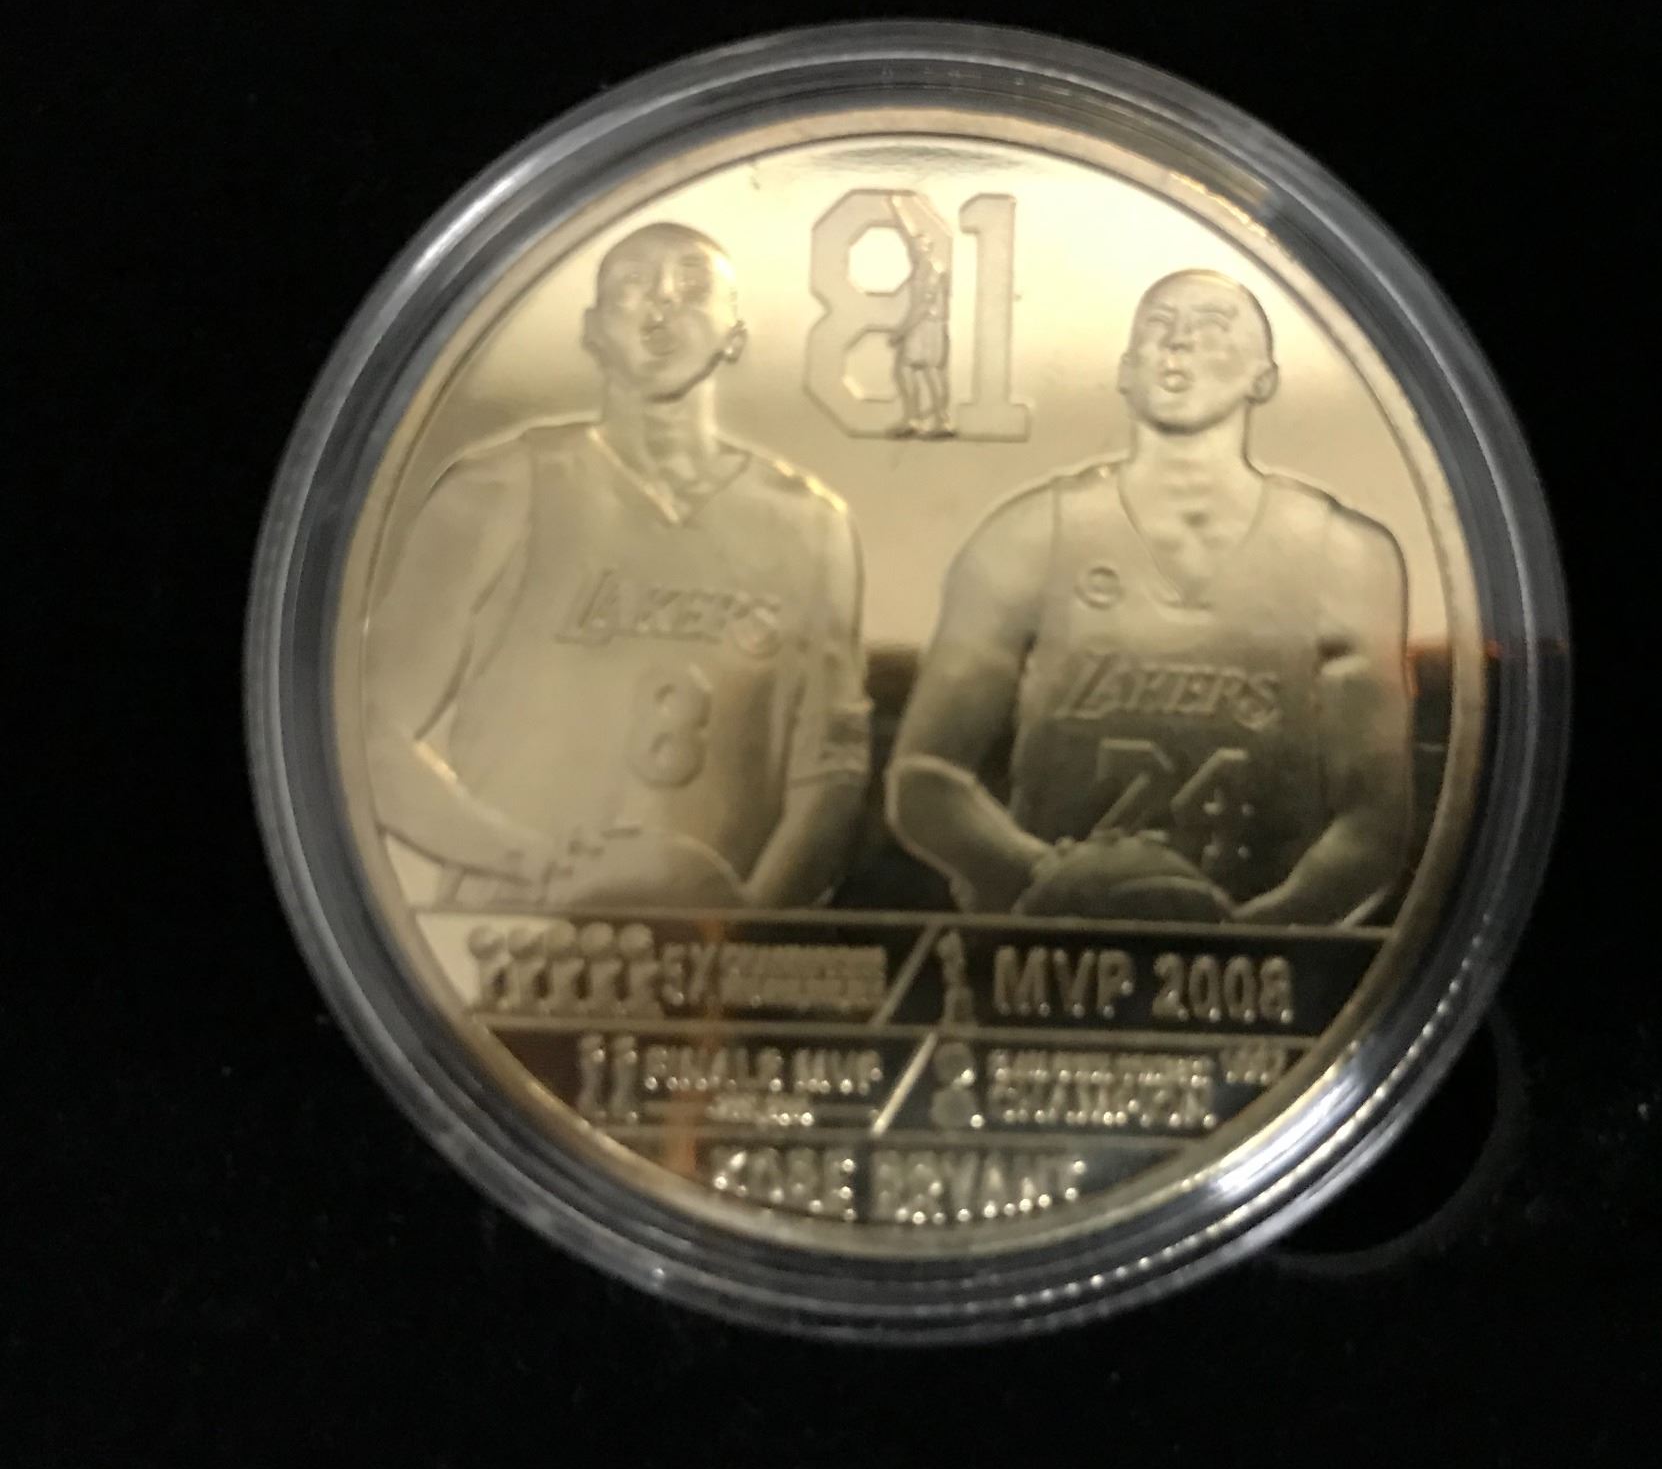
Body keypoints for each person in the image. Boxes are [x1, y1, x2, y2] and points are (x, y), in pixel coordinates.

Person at [365, 221, 871, 910]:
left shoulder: (812, 525)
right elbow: (370, 738)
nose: (661, 302)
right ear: (592, 331)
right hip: (512, 937)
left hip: (718, 954)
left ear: (735, 334)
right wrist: (532, 862)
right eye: (632, 285)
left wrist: (748, 924)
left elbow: (832, 773)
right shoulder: (498, 492)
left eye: (691, 285)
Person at [886, 269, 1409, 924]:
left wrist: (1251, 937)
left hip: (1259, 964)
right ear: (1125, 373)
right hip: (1041, 953)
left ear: (1264, 379)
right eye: (1159, 327)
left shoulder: (1346, 557)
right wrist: (1051, 881)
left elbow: (1374, 824)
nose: (1178, 343)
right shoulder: (1027, 539)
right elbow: (926, 777)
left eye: (1211, 329)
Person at [888, 195, 955, 437]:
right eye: (914, 247)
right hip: (924, 325)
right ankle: (919, 419)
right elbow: (908, 234)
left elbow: (923, 306)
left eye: (920, 246)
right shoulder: (920, 266)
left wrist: (902, 331)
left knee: (927, 370)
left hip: (928, 325)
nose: (914, 249)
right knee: (912, 369)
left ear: (928, 248)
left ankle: (939, 420)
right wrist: (896, 208)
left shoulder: (931, 270)